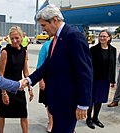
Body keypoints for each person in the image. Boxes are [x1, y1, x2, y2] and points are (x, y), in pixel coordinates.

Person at [24, 4, 93, 133]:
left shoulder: (74, 37)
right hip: (57, 101)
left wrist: (83, 103)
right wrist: (29, 80)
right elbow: (47, 65)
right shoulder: (56, 39)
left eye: (44, 25)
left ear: (55, 20)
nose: (43, 30)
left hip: (68, 103)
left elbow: (85, 72)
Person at [0, 26, 34, 133]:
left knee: (23, 114)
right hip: (6, 88)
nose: (14, 41)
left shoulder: (24, 52)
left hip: (19, 88)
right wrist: (4, 92)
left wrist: (30, 88)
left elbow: (26, 72)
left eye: (17, 38)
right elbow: (1, 74)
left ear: (22, 37)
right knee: (3, 113)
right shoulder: (5, 52)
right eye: (12, 38)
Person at [86, 30, 116, 129]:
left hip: (105, 79)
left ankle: (95, 118)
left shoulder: (113, 50)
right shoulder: (93, 49)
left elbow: (113, 65)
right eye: (100, 36)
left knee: (100, 100)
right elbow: (89, 65)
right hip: (94, 79)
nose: (102, 38)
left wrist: (112, 80)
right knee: (91, 100)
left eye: (104, 36)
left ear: (109, 38)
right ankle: (89, 119)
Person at [36, 38, 53, 133]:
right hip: (47, 77)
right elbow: (40, 63)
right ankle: (51, 122)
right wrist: (41, 79)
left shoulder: (66, 42)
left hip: (62, 78)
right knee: (48, 101)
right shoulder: (46, 44)